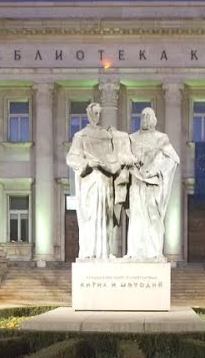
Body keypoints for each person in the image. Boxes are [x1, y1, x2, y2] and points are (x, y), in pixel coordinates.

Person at [65, 101, 132, 259]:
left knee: (106, 217)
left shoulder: (106, 135)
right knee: (92, 216)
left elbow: (114, 154)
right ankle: (91, 252)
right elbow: (71, 157)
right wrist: (88, 163)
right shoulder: (81, 135)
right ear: (89, 114)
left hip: (106, 181)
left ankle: (105, 251)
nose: (97, 116)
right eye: (94, 113)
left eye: (99, 113)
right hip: (91, 181)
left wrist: (117, 162)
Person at [125, 107, 180, 260]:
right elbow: (124, 158)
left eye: (148, 116)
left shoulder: (161, 138)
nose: (145, 119)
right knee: (136, 217)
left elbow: (173, 158)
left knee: (153, 217)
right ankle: (135, 252)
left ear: (154, 119)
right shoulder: (132, 138)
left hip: (153, 185)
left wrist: (155, 169)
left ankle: (154, 251)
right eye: (142, 116)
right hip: (136, 182)